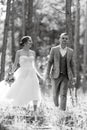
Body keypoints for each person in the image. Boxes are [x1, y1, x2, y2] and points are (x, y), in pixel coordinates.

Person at [0, 36, 43, 118]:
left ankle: (35, 112)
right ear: (25, 43)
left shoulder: (33, 53)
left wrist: (41, 76)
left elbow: (35, 66)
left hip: (32, 74)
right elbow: (15, 64)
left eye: (31, 41)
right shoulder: (19, 52)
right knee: (19, 90)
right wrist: (11, 73)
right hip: (22, 73)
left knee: (35, 90)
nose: (31, 43)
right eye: (29, 41)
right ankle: (16, 110)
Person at [45, 33, 76, 111]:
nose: (64, 40)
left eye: (66, 38)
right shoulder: (54, 49)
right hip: (55, 75)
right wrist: (47, 74)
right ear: (59, 39)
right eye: (63, 38)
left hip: (66, 76)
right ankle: (56, 107)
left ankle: (62, 111)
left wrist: (74, 76)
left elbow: (72, 64)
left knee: (63, 94)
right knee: (55, 94)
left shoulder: (70, 51)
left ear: (68, 40)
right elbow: (50, 62)